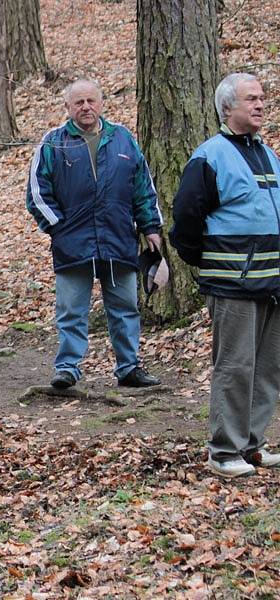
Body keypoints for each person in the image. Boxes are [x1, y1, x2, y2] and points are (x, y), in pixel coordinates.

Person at [171, 72, 280, 478]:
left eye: (263, 98)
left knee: (268, 368)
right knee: (235, 366)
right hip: (233, 282)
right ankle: (224, 450)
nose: (260, 104)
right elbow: (185, 218)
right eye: (251, 98)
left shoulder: (267, 154)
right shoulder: (209, 156)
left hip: (272, 282)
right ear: (227, 107)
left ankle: (253, 444)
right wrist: (210, 262)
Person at [26, 79, 163, 390]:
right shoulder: (53, 143)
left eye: (91, 101)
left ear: (101, 104)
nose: (85, 107)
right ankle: (68, 368)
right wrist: (59, 229)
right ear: (68, 108)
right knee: (71, 311)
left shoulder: (124, 140)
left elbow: (143, 188)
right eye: (78, 103)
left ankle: (129, 368)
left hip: (118, 240)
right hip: (73, 244)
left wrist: (150, 227)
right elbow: (36, 194)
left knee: (125, 308)